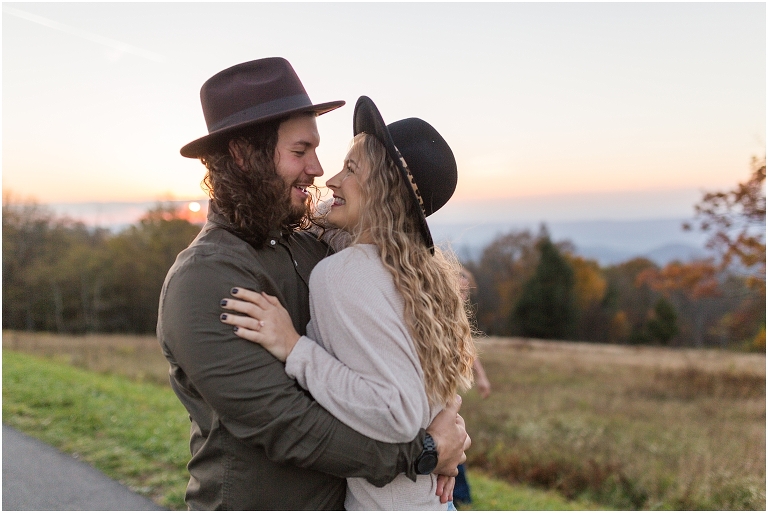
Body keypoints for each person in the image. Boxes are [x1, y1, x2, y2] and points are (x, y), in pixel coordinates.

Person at [157, 58, 469, 510]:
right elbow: (289, 426)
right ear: (245, 154)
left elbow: (398, 338)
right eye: (300, 151)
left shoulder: (313, 246)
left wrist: (445, 420)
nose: (318, 169)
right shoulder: (204, 280)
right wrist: (422, 454)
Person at [453, 267, 492, 507]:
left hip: (446, 389)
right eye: (460, 289)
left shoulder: (458, 314)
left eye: (466, 292)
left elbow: (468, 347)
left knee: (456, 436)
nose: (464, 296)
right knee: (454, 436)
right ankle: (459, 494)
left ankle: (460, 494)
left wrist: (482, 377)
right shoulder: (431, 307)